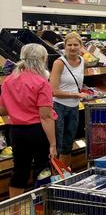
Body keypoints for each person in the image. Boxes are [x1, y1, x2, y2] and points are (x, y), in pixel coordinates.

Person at [0, 44, 58, 197]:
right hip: (37, 131)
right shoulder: (42, 82)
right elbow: (45, 116)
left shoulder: (8, 80)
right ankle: (42, 207)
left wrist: (17, 107)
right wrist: (53, 144)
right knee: (42, 168)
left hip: (16, 132)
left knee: (20, 170)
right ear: (43, 59)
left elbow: (3, 110)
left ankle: (15, 210)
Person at [49, 32, 86, 167]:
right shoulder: (59, 63)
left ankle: (65, 172)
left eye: (75, 44)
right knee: (57, 143)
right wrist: (76, 95)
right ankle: (54, 174)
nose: (72, 47)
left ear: (81, 46)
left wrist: (80, 93)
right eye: (69, 45)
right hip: (58, 106)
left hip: (74, 107)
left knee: (68, 142)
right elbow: (53, 91)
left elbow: (78, 84)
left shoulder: (82, 61)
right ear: (64, 46)